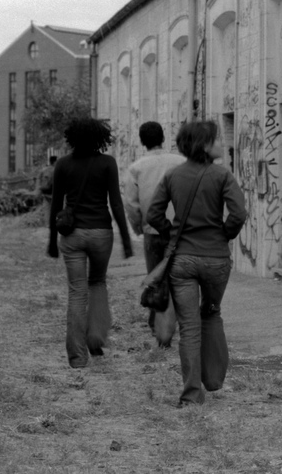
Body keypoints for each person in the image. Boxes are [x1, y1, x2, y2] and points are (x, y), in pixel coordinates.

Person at [145, 120, 246, 406]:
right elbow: (239, 214)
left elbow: (153, 214)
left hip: (183, 261)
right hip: (215, 259)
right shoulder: (222, 175)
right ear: (203, 144)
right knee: (211, 313)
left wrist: (170, 231)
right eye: (216, 139)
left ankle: (191, 394)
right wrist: (223, 234)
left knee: (189, 327)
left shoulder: (173, 176)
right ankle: (213, 380)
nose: (221, 143)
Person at [47, 117, 133, 368]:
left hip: (72, 236)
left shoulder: (62, 164)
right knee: (97, 282)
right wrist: (126, 239)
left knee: (76, 293)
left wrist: (52, 241)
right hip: (100, 233)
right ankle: (96, 337)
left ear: (71, 138)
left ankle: (76, 357)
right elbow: (116, 202)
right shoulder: (107, 163)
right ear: (99, 138)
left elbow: (55, 204)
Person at [122, 121, 184, 332]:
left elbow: (131, 204)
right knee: (180, 277)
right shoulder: (181, 162)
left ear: (141, 141)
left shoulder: (136, 168)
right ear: (163, 138)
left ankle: (158, 324)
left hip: (153, 230)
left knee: (155, 277)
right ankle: (184, 321)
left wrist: (139, 227)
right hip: (180, 230)